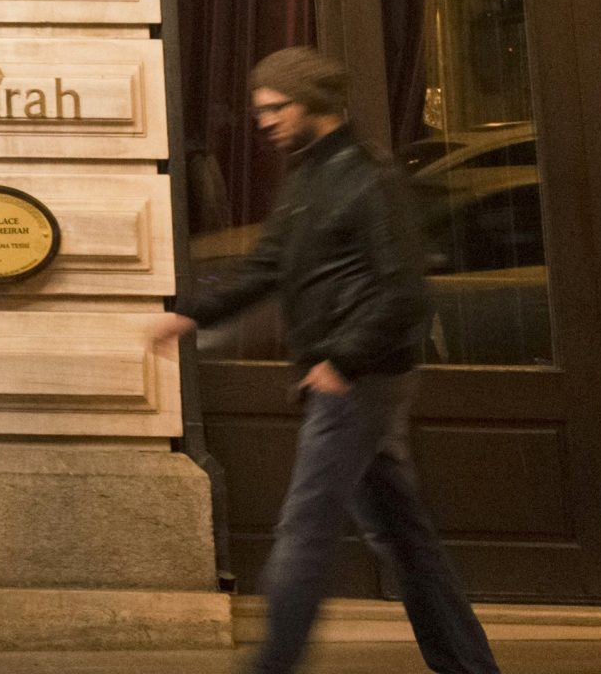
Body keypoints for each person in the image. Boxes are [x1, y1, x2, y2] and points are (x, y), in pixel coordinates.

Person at [151, 47, 501, 674]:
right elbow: (267, 267)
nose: (264, 120)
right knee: (404, 539)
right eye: (261, 108)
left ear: (315, 104)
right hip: (343, 376)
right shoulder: (308, 176)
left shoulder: (371, 178)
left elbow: (404, 291)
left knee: (304, 532)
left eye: (276, 107)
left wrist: (342, 360)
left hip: (358, 380)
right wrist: (191, 314)